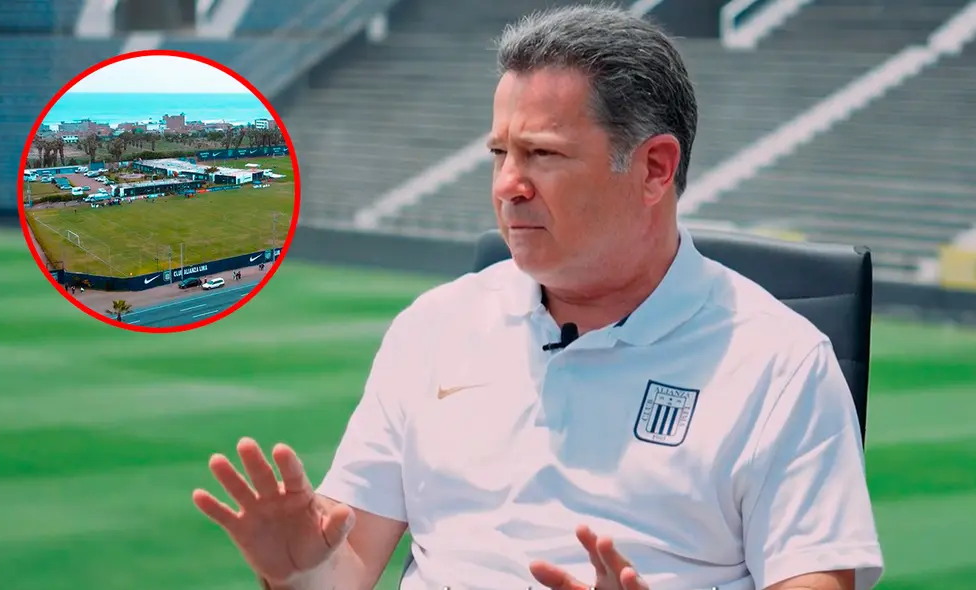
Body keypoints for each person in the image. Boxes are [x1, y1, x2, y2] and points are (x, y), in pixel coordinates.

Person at [192, 5, 883, 590]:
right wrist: (299, 571)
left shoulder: (780, 365)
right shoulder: (434, 327)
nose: (508, 185)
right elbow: (346, 563)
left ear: (654, 168)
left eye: (543, 155)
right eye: (500, 154)